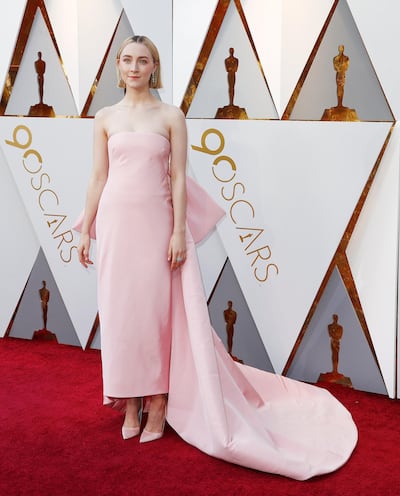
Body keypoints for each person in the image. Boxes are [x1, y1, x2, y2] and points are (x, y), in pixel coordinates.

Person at [77, 35, 357, 480]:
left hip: (156, 227)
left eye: (143, 60)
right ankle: (127, 399)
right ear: (117, 66)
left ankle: (158, 402)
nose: (134, 67)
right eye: (127, 60)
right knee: (121, 315)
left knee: (155, 316)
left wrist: (177, 233)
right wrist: (87, 230)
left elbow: (180, 180)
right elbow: (97, 176)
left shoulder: (171, 115)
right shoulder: (105, 117)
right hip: (114, 226)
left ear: (155, 67)